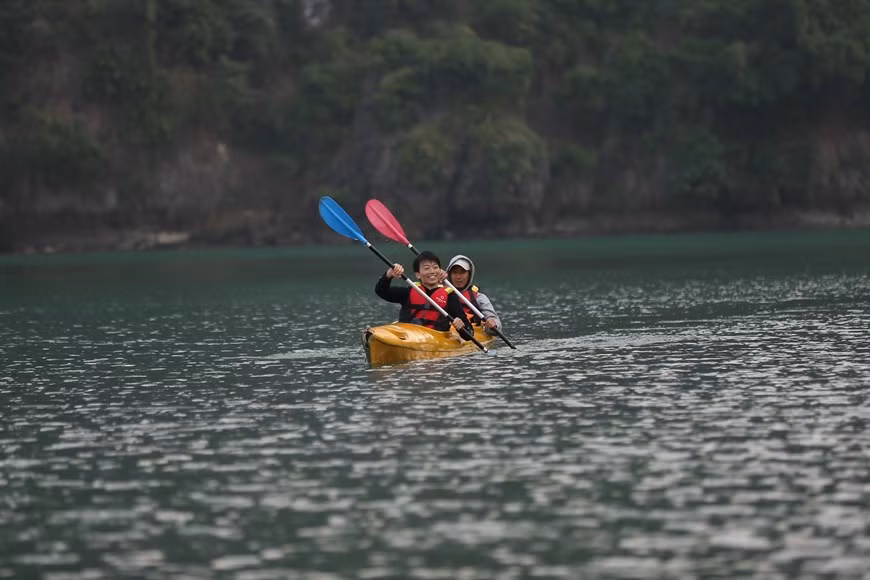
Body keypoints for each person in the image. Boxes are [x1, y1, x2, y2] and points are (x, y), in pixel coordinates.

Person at [375, 250, 473, 335]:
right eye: (426, 268)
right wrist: (389, 274)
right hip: (408, 335)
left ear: (440, 271)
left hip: (435, 339)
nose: (432, 271)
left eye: (435, 267)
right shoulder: (408, 292)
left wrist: (461, 327)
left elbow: (469, 332)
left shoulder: (450, 297)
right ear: (418, 275)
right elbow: (380, 291)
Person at [446, 254, 502, 335]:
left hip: (472, 333)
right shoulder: (441, 295)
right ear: (449, 274)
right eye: (455, 272)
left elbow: (496, 322)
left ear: (469, 275)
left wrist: (493, 325)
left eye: (462, 272)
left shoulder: (480, 298)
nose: (458, 277)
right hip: (445, 333)